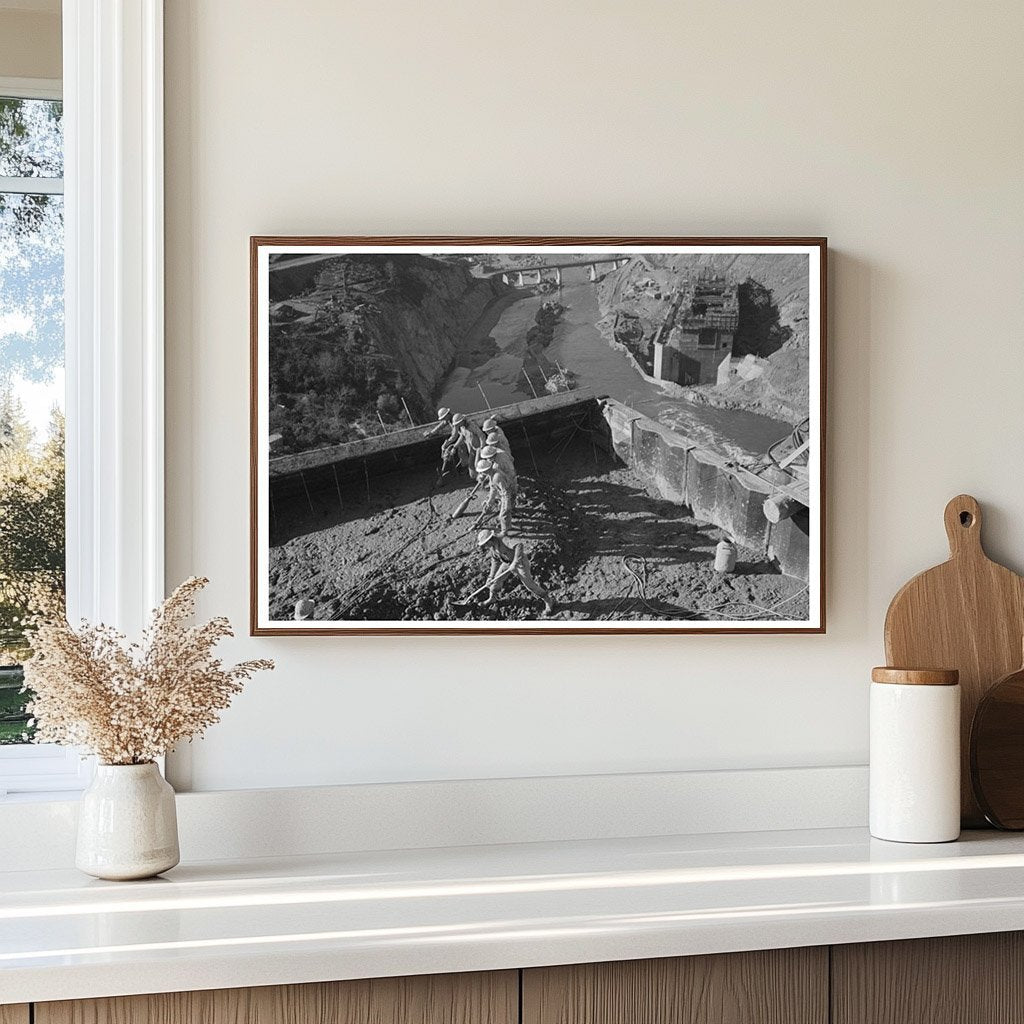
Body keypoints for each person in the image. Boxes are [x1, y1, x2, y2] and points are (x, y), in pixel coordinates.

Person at [476, 529, 554, 615]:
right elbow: (495, 561)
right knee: (495, 581)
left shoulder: (503, 539)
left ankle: (548, 601)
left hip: (520, 562)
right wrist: (491, 576)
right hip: (507, 563)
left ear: (490, 540)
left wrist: (515, 562)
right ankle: (492, 598)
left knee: (529, 585)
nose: (485, 546)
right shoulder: (492, 547)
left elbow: (519, 545)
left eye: (485, 544)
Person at [476, 455, 516, 535]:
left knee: (503, 514)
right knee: (505, 512)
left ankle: (504, 531)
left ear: (486, 470)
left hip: (506, 494)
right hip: (503, 493)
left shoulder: (496, 477)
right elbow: (493, 489)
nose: (482, 473)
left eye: (482, 471)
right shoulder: (491, 474)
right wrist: (490, 501)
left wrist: (507, 503)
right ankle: (508, 526)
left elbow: (505, 491)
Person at [445, 412, 485, 480]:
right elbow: (462, 437)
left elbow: (481, 435)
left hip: (479, 448)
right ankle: (476, 478)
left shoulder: (471, 426)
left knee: (477, 464)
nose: (457, 426)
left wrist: (482, 447)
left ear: (462, 421)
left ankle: (484, 479)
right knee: (470, 465)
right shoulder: (462, 428)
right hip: (472, 449)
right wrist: (455, 447)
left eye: (458, 424)